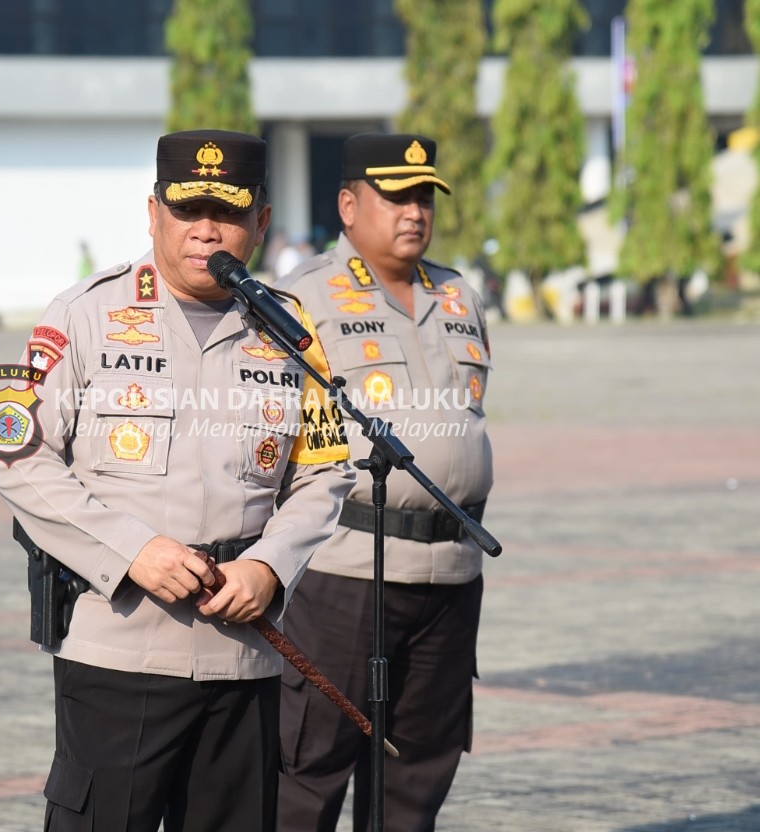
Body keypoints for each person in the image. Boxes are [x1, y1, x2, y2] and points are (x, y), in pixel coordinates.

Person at [0, 128, 355, 832]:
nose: (206, 231)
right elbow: (21, 459)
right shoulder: (84, 314)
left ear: (263, 222)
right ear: (154, 213)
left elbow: (324, 468)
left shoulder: (290, 331)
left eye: (227, 213)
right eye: (188, 211)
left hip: (243, 655)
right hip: (120, 649)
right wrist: (134, 551)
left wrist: (270, 570)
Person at [275, 133, 494, 832]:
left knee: (417, 775)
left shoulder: (459, 292)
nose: (414, 211)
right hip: (345, 572)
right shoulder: (302, 295)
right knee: (308, 771)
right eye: (396, 195)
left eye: (424, 195)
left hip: (451, 573)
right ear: (348, 205)